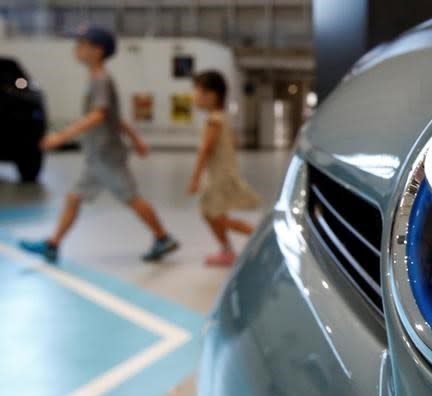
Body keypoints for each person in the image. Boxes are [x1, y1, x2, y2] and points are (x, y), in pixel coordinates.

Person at [20, 26, 179, 262]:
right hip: (97, 155)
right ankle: (53, 244)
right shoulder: (95, 78)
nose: (77, 49)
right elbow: (115, 115)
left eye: (82, 45)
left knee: (131, 197)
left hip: (107, 155)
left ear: (98, 50)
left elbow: (99, 115)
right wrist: (136, 139)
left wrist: (61, 136)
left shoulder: (101, 80)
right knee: (74, 198)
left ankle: (163, 237)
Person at [188, 70, 260, 267]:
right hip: (222, 173)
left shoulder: (214, 120)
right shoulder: (222, 117)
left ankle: (258, 236)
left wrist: (195, 178)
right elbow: (232, 143)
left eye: (197, 90)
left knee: (215, 215)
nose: (194, 96)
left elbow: (206, 149)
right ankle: (227, 249)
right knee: (213, 214)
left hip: (218, 177)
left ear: (212, 95)